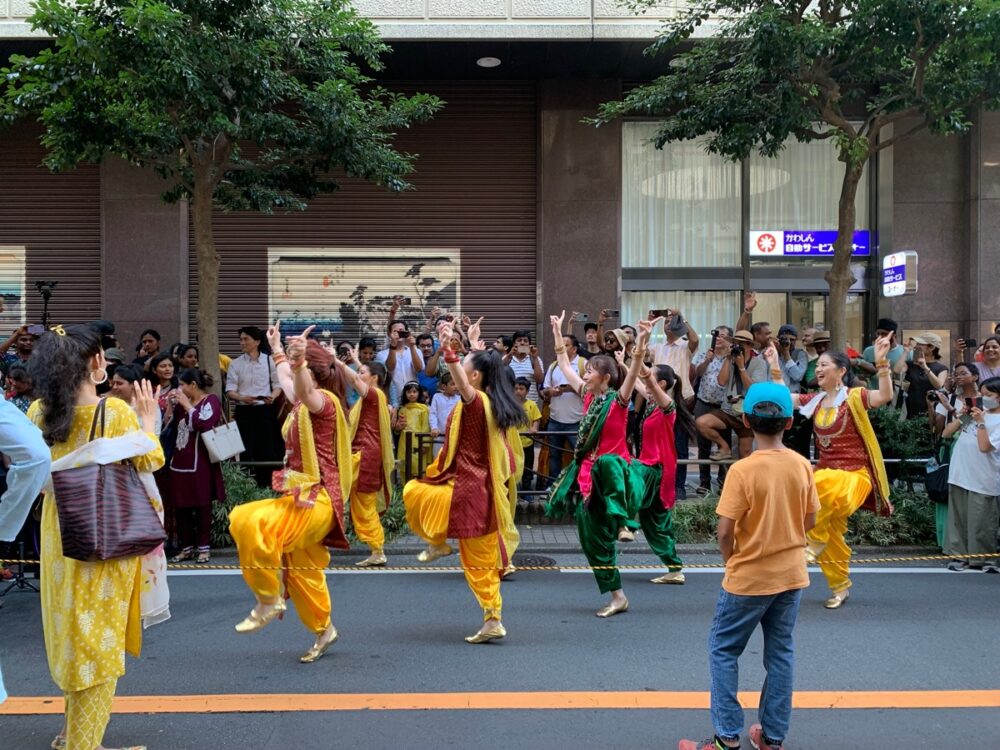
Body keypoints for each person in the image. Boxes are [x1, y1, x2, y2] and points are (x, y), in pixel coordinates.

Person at [27, 324, 168, 750]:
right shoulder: (116, 413)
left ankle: (74, 733)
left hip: (58, 535)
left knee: (71, 638)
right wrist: (149, 420)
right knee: (101, 649)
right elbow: (151, 458)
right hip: (106, 539)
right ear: (96, 363)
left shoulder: (38, 412)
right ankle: (82, 745)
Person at [678, 383, 818, 750]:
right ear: (789, 422)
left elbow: (724, 531)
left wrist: (732, 561)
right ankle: (771, 737)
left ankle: (726, 738)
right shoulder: (802, 465)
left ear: (744, 421)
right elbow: (811, 521)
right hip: (791, 574)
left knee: (724, 650)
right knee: (781, 654)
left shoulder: (743, 470)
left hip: (748, 577)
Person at [228, 322, 353, 663]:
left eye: (302, 370)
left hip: (318, 500)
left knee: (247, 519)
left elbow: (301, 387)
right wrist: (278, 350)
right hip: (299, 498)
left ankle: (267, 598)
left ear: (312, 373)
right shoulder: (300, 401)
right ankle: (324, 629)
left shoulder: (322, 404)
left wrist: (296, 363)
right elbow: (287, 380)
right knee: (303, 573)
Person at [403, 322, 523, 644]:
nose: (458, 375)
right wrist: (473, 346)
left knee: (414, 492)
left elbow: (462, 380)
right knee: (478, 563)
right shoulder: (490, 402)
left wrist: (449, 350)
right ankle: (492, 618)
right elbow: (472, 374)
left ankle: (439, 542)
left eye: (465, 369)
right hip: (475, 491)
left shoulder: (478, 402)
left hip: (468, 491)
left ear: (472, 377)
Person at [771, 335, 895, 609]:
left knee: (820, 487)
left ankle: (811, 543)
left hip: (854, 477)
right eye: (818, 366)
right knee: (831, 532)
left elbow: (885, 396)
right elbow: (782, 397)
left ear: (841, 371)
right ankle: (840, 586)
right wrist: (774, 366)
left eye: (825, 364)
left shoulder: (854, 397)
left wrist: (883, 363)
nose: (819, 369)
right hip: (827, 477)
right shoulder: (814, 401)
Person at [545, 312, 645, 617]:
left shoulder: (618, 399)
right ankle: (618, 596)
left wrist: (639, 345)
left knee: (608, 464)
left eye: (589, 371)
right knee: (591, 538)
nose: (584, 375)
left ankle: (625, 521)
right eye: (585, 371)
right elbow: (563, 365)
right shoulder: (587, 398)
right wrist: (556, 331)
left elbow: (632, 375)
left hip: (614, 472)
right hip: (589, 475)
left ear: (605, 377)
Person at [633, 358, 697, 585]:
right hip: (649, 465)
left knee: (629, 477)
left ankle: (627, 524)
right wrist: (625, 362)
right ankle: (674, 568)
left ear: (660, 383)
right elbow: (637, 383)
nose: (646, 375)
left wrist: (639, 356)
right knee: (655, 523)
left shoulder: (666, 405)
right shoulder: (651, 402)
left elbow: (645, 380)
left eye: (651, 374)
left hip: (655, 468)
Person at [331, 351, 395, 568]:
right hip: (364, 453)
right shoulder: (376, 396)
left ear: (374, 378)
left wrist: (336, 361)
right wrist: (359, 361)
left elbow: (357, 379)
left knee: (332, 487)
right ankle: (377, 551)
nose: (358, 375)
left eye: (362, 372)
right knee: (360, 504)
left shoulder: (374, 395)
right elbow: (364, 375)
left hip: (364, 455)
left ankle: (316, 536)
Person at [941, 376, 1000, 572]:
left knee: (982, 521)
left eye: (989, 395)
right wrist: (962, 416)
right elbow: (946, 434)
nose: (983, 399)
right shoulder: (976, 413)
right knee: (958, 519)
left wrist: (981, 422)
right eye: (981, 395)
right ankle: (959, 556)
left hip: (984, 478)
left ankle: (984, 560)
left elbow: (985, 447)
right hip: (959, 473)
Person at [168, 368, 226, 565]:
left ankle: (203, 548)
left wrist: (188, 406)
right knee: (180, 507)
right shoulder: (180, 405)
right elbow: (172, 427)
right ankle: (186, 548)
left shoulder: (211, 401)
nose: (180, 388)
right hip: (178, 462)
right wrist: (171, 407)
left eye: (183, 385)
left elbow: (205, 425)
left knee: (202, 506)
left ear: (193, 385)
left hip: (201, 462)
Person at [225, 325, 282, 487]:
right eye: (241, 339)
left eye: (246, 339)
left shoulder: (269, 361)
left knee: (267, 448)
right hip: (244, 411)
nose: (242, 342)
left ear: (257, 341)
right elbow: (230, 390)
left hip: (266, 410)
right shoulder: (235, 364)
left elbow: (278, 385)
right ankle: (246, 486)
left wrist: (273, 396)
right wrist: (242, 397)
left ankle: (267, 485)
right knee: (245, 449)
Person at [651, 310, 699, 499]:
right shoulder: (656, 347)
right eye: (666, 321)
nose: (668, 323)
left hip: (681, 400)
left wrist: (683, 318)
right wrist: (649, 323)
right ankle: (660, 483)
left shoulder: (685, 345)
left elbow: (695, 339)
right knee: (659, 444)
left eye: (672, 321)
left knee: (680, 445)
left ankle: (679, 485)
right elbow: (638, 352)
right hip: (658, 401)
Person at [697, 330, 755, 462]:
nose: (738, 347)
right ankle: (724, 447)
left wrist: (741, 368)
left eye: (742, 344)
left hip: (747, 413)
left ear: (750, 346)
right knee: (702, 423)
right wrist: (729, 359)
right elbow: (721, 381)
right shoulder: (729, 360)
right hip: (727, 410)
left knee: (745, 454)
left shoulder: (759, 363)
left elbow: (752, 389)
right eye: (735, 343)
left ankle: (744, 481)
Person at [692, 326, 733, 495]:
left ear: (730, 340)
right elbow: (697, 373)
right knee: (703, 445)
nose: (719, 339)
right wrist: (707, 360)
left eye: (723, 336)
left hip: (723, 405)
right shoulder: (704, 354)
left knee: (724, 443)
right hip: (703, 402)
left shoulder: (731, 358)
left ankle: (723, 481)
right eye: (717, 335)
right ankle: (704, 482)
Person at [541, 334, 585, 490]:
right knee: (554, 455)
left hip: (577, 421)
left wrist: (571, 389)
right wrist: (550, 392)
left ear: (574, 348)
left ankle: (580, 486)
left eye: (566, 345)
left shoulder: (583, 364)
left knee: (579, 455)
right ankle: (553, 484)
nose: (561, 348)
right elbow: (544, 390)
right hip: (555, 419)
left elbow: (590, 392)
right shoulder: (553, 365)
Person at [895, 332, 948, 418]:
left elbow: (939, 385)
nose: (916, 346)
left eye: (920, 344)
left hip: (931, 413)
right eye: (917, 343)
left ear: (931, 347)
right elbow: (897, 371)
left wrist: (925, 367)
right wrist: (905, 352)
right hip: (910, 413)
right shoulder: (911, 364)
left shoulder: (941, 368)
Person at [376, 321, 425, 407]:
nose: (399, 333)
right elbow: (390, 368)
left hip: (413, 399)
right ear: (390, 334)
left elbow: (419, 369)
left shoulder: (416, 351)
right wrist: (393, 346)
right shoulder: (381, 354)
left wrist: (412, 347)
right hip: (392, 400)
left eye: (401, 330)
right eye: (395, 331)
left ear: (406, 332)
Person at [513, 376, 542, 509]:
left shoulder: (531, 405)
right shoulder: (510, 404)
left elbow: (536, 418)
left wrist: (534, 427)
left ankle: (526, 491)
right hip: (513, 444)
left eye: (521, 389)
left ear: (527, 391)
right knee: (512, 467)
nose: (518, 391)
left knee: (527, 468)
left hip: (527, 443)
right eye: (516, 388)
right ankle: (513, 491)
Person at [396, 380, 432, 475]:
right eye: (409, 392)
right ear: (405, 394)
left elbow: (425, 427)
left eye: (414, 392)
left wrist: (425, 444)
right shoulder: (402, 409)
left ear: (419, 393)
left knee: (418, 465)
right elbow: (398, 429)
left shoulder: (423, 410)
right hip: (404, 441)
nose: (411, 394)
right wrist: (398, 428)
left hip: (418, 441)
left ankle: (418, 487)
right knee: (404, 465)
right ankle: (405, 487)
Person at [857, 318, 906, 388]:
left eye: (884, 334)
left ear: (893, 335)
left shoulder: (905, 351)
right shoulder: (869, 351)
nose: (880, 337)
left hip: (897, 394)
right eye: (878, 333)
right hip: (874, 392)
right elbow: (863, 374)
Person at [504, 329, 545, 404]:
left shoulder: (535, 359)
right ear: (514, 344)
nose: (522, 343)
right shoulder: (507, 358)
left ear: (529, 344)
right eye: (519, 340)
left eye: (525, 341)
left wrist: (535, 358)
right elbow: (498, 376)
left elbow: (540, 380)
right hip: (510, 403)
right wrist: (509, 355)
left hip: (531, 404)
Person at [429, 371, 461, 454]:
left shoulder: (459, 399)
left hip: (454, 435)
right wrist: (434, 427)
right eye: (452, 384)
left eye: (457, 384)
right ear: (444, 386)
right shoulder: (437, 397)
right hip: (439, 435)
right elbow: (433, 414)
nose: (456, 387)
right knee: (437, 458)